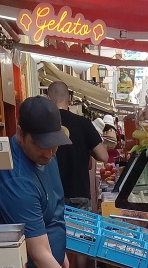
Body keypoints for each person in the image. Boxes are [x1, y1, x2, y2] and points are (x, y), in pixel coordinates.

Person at [0, 96, 92, 268]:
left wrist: (60, 253)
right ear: (21, 133)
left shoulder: (45, 156)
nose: (49, 153)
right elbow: (39, 253)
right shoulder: (16, 178)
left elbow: (53, 208)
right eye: (42, 145)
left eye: (54, 146)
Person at [46, 81, 108, 209]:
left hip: (50, 195)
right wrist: (87, 149)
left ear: (48, 98)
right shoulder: (83, 123)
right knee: (80, 229)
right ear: (70, 98)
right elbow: (104, 156)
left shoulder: (44, 123)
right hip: (79, 193)